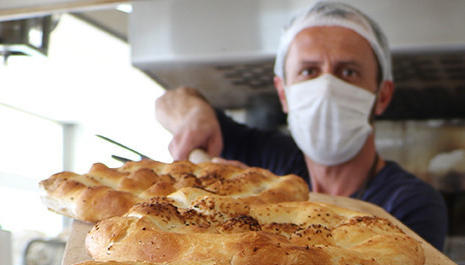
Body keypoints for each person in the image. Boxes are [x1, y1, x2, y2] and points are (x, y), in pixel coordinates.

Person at [154, 1, 448, 251]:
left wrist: (260, 206)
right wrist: (194, 114)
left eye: (348, 71)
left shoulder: (411, 203)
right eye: (309, 71)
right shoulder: (267, 156)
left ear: (381, 96)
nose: (326, 87)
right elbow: (171, 101)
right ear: (283, 93)